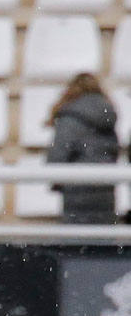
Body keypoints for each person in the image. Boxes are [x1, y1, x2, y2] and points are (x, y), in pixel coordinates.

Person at [46, 72, 120, 224]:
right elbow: (113, 151)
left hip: (77, 188)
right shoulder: (107, 116)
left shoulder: (71, 117)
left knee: (77, 241)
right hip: (105, 189)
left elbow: (58, 154)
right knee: (102, 240)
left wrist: (56, 181)